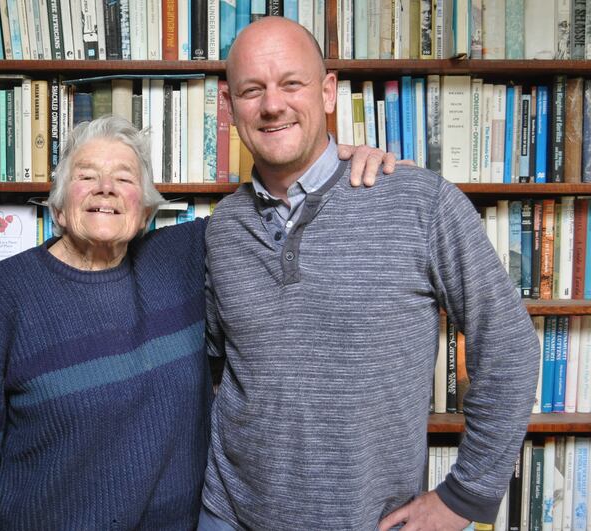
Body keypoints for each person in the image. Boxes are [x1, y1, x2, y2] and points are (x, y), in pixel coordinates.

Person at [0, 115, 396, 529]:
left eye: (124, 178)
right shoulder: (4, 294)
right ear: (58, 205)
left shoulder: (182, 254)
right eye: (86, 177)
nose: (106, 188)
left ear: (144, 211)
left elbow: (279, 203)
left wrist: (347, 167)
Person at [200, 16, 540, 531]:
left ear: (329, 92)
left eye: (292, 83)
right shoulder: (221, 230)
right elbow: (208, 368)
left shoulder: (420, 203)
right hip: (228, 516)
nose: (272, 105)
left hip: (370, 521)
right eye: (253, 90)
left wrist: (464, 497)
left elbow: (509, 348)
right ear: (230, 108)